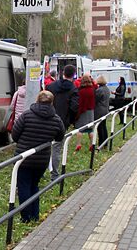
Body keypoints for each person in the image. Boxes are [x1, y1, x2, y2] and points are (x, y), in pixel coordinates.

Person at [11, 91, 65, 223]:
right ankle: (35, 215)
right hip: (42, 159)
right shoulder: (56, 119)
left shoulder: (26, 115)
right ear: (52, 102)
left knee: (23, 186)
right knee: (34, 185)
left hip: (23, 158)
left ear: (37, 100)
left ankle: (25, 217)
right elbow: (60, 136)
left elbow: (14, 135)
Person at [46, 65, 79, 181]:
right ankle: (54, 174)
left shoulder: (50, 86)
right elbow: (74, 107)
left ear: (62, 73)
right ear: (74, 75)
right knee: (56, 148)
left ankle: (41, 171)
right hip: (62, 123)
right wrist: (69, 121)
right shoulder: (74, 89)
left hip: (47, 119)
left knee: (44, 146)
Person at [74, 74, 95, 151]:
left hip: (83, 112)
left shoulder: (81, 91)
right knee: (90, 129)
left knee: (80, 129)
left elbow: (81, 103)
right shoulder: (92, 90)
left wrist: (78, 114)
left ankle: (78, 144)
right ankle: (92, 144)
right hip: (91, 112)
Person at [94, 75, 110, 147]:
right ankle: (105, 142)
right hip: (105, 109)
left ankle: (101, 143)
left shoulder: (99, 90)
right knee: (104, 126)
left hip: (99, 111)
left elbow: (95, 100)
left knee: (100, 128)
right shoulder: (106, 89)